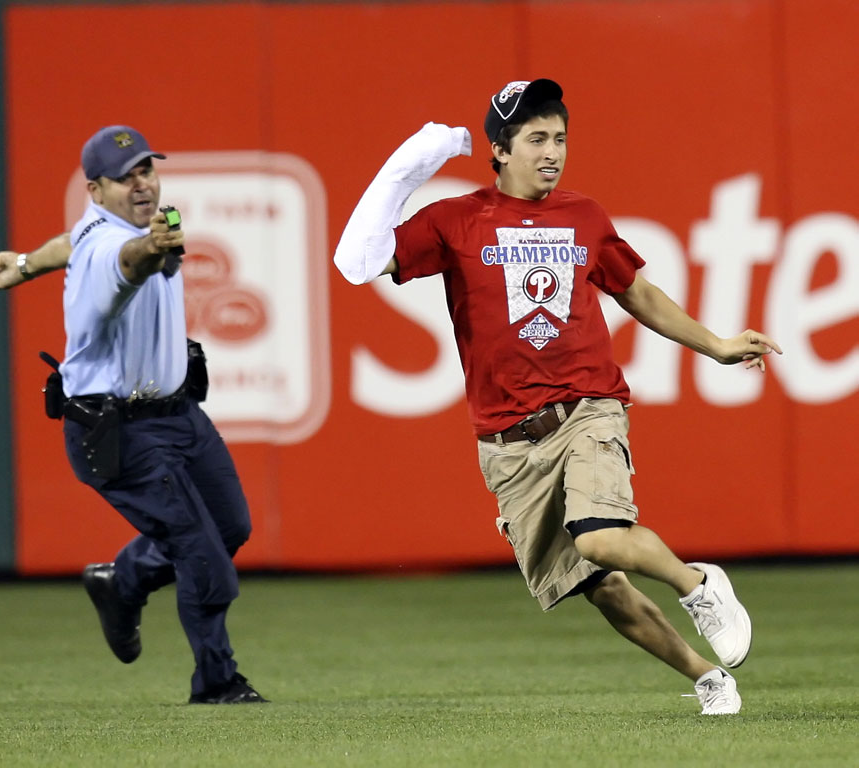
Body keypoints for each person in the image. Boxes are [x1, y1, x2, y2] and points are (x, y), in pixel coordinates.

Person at [333, 79, 783, 715]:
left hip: (585, 408)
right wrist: (411, 165)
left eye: (561, 138)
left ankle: (700, 584)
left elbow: (637, 292)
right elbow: (360, 260)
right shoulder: (455, 219)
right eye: (537, 138)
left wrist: (714, 344)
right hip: (507, 442)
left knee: (599, 536)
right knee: (600, 587)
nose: (553, 151)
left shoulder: (584, 216)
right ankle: (707, 677)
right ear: (499, 149)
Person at [0, 125, 266, 705]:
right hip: (116, 429)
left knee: (230, 528)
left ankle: (121, 581)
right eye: (124, 177)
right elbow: (125, 261)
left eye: (147, 170)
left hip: (177, 414)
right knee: (202, 556)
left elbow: (71, 240)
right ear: (95, 188)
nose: (141, 184)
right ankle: (217, 683)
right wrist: (152, 249)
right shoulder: (117, 247)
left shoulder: (99, 227)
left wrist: (28, 264)